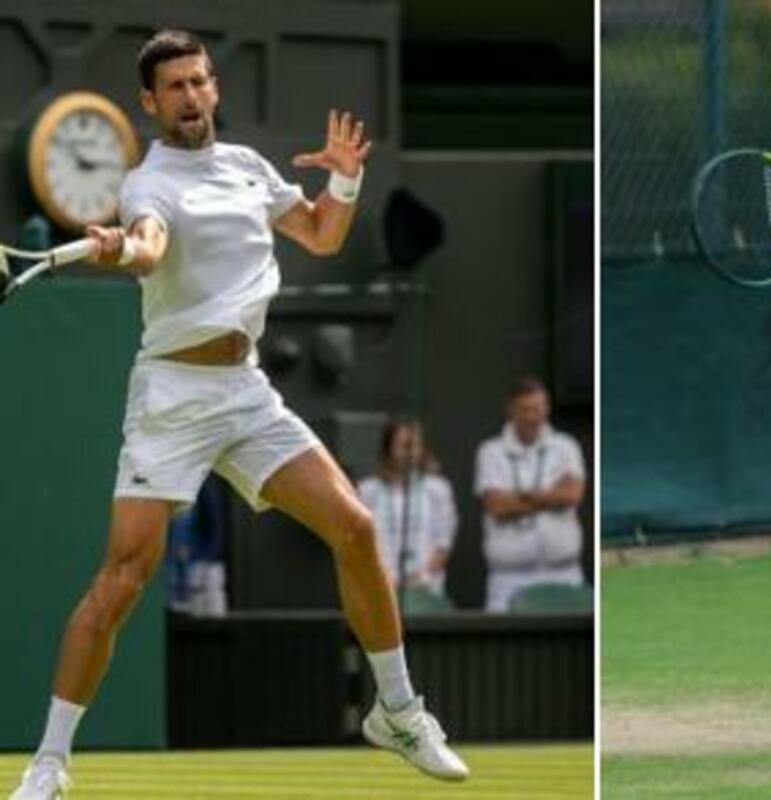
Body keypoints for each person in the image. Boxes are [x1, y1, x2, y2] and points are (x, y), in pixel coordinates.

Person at [8, 30, 467, 799]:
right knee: (123, 578)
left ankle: (397, 711)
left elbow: (320, 233)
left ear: (214, 88)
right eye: (175, 87)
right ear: (150, 102)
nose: (192, 96)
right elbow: (150, 247)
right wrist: (125, 249)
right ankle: (49, 762)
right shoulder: (147, 184)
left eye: (200, 81)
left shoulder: (249, 166)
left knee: (355, 528)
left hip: (247, 392)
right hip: (173, 396)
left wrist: (346, 178)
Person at [475, 377, 587, 612]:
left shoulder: (566, 446)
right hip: (508, 579)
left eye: (539, 408)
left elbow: (572, 495)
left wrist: (521, 497)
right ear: (511, 411)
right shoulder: (490, 451)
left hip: (564, 574)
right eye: (526, 410)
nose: (533, 417)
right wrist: (551, 496)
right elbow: (496, 506)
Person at [357, 418, 458, 599]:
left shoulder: (438, 489)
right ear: (388, 448)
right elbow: (362, 542)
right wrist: (385, 578)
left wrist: (421, 577)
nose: (410, 452)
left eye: (415, 446)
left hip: (427, 591)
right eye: (404, 445)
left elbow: (443, 543)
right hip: (381, 590)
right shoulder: (368, 490)